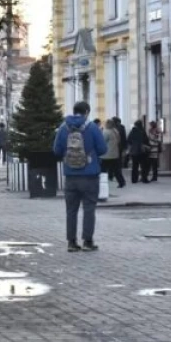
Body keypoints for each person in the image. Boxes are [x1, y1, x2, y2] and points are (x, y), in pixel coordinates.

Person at [53, 101, 109, 252]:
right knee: (89, 209)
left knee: (71, 210)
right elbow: (103, 149)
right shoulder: (92, 127)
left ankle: (71, 242)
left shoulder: (63, 128)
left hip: (70, 175)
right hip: (90, 175)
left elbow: (56, 150)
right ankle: (87, 242)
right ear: (87, 112)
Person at [102, 119, 125, 189]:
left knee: (102, 170)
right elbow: (118, 141)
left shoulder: (106, 132)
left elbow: (103, 142)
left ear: (107, 124)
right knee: (116, 170)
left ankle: (102, 183)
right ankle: (121, 182)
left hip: (106, 155)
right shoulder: (115, 131)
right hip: (115, 154)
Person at [129, 120, 150, 184]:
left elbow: (129, 140)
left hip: (134, 151)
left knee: (135, 166)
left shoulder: (132, 131)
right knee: (144, 166)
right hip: (142, 151)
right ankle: (144, 179)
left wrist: (133, 145)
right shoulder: (142, 131)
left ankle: (134, 179)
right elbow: (146, 140)